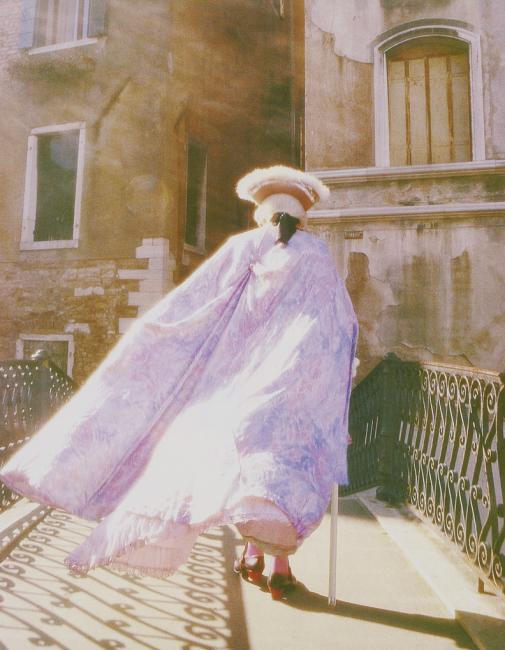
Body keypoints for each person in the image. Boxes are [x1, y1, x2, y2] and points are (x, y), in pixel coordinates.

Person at [0, 165, 358, 600]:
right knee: (275, 474)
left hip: (232, 385)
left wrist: (153, 344)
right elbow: (338, 330)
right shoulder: (317, 256)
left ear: (262, 214)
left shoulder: (244, 246)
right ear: (303, 217)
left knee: (238, 467)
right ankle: (278, 567)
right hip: (289, 389)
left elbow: (194, 304)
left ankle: (251, 559)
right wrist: (333, 403)